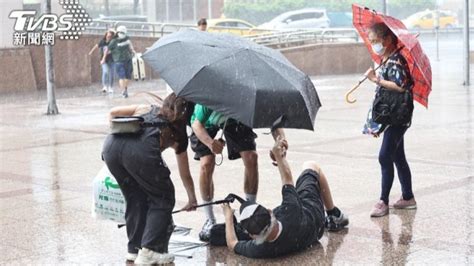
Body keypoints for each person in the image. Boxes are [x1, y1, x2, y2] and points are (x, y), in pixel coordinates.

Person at [102, 93, 197, 264]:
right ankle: (150, 250)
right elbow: (185, 173)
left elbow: (113, 113)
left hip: (111, 147)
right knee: (163, 196)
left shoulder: (145, 108)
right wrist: (192, 198)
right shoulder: (179, 134)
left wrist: (123, 138)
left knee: (135, 196)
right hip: (139, 153)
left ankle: (134, 249)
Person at [220, 135, 349, 259]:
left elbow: (232, 244)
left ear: (253, 237)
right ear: (270, 211)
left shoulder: (258, 250)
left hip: (312, 236)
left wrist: (228, 217)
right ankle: (334, 215)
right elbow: (287, 178)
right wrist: (279, 156)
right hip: (314, 216)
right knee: (312, 166)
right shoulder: (290, 210)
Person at [190, 104, 286, 241]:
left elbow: (274, 117)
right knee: (206, 163)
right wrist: (211, 143)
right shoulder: (210, 92)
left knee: (252, 157)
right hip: (206, 124)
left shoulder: (248, 93)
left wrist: (280, 140)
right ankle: (209, 219)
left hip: (235, 119)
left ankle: (250, 211)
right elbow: (196, 124)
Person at [364, 22, 416, 217]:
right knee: (397, 156)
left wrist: (375, 79)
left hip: (398, 117)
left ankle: (383, 201)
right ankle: (408, 197)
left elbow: (401, 86)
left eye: (375, 41)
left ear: (387, 39)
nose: (373, 45)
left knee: (384, 156)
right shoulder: (387, 59)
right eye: (371, 42)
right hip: (394, 115)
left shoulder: (395, 60)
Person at [106, 25, 135, 98]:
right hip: (119, 61)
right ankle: (123, 91)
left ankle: (125, 89)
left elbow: (130, 44)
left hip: (128, 59)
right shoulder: (114, 41)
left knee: (128, 77)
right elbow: (107, 49)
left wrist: (132, 50)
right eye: (120, 32)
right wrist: (104, 58)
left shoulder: (127, 38)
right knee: (122, 77)